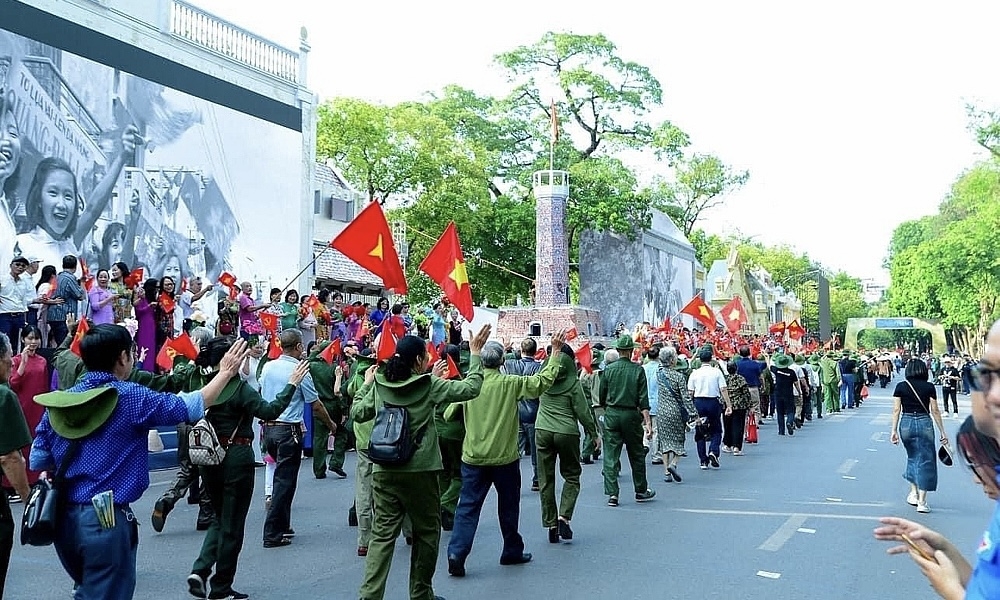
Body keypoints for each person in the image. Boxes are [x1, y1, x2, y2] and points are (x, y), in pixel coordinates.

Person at [28, 325, 247, 600]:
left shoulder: (59, 403)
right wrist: (226, 372)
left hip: (64, 520)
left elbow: (38, 459)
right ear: (123, 357)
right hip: (106, 518)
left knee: (88, 590)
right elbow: (192, 405)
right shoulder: (130, 397)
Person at [350, 326, 489, 600]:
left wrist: (365, 385)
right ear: (417, 361)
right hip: (421, 471)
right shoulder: (428, 385)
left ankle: (370, 594)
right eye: (425, 357)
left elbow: (357, 412)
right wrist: (474, 354)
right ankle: (421, 592)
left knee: (382, 536)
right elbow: (471, 388)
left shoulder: (379, 382)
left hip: (384, 469)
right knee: (426, 533)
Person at [187, 337, 310, 600]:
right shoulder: (239, 389)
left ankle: (200, 568)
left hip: (207, 457)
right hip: (236, 457)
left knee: (219, 518)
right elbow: (270, 410)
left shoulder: (200, 383)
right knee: (232, 526)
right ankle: (221, 586)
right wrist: (292, 385)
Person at [260, 329, 338, 548]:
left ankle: (283, 524)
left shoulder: (267, 366)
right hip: (288, 429)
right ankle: (272, 532)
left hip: (269, 428)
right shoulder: (298, 369)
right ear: (298, 347)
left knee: (281, 477)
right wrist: (331, 424)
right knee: (284, 482)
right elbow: (315, 404)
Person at [535, 343, 599, 543]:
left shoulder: (542, 378)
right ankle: (564, 515)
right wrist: (593, 433)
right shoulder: (573, 383)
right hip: (567, 431)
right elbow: (583, 412)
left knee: (546, 479)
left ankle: (551, 524)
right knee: (571, 475)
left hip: (543, 429)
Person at [599, 335, 656, 505]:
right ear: (631, 351)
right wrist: (648, 423)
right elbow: (643, 400)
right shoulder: (638, 370)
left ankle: (612, 493)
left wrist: (608, 407)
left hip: (613, 413)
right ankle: (640, 489)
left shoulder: (608, 370)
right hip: (631, 415)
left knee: (610, 454)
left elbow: (601, 395)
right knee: (637, 454)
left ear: (618, 351)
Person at [890, 358, 948, 513]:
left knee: (912, 456)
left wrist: (893, 430)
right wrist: (943, 431)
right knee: (926, 460)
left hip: (906, 423)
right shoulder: (929, 387)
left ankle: (914, 493)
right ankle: (922, 502)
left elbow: (896, 410)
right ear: (923, 370)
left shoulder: (901, 386)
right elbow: (935, 410)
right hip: (924, 422)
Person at [0, 331, 31, 599]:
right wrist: (28, 500)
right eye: (9, 355)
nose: (12, 361)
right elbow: (10, 457)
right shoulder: (3, 396)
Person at [504, 338, 542, 491]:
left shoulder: (510, 365)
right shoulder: (539, 368)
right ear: (536, 350)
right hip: (533, 413)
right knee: (535, 450)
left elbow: (500, 359)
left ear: (521, 349)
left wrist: (507, 350)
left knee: (515, 451)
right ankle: (537, 479)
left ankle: (511, 481)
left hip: (515, 411)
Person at [688, 347, 733, 469]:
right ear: (711, 358)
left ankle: (703, 460)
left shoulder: (695, 373)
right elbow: (723, 389)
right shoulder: (716, 372)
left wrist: (689, 408)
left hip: (698, 402)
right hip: (713, 402)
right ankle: (713, 451)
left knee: (700, 431)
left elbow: (690, 392)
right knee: (716, 429)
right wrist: (728, 405)